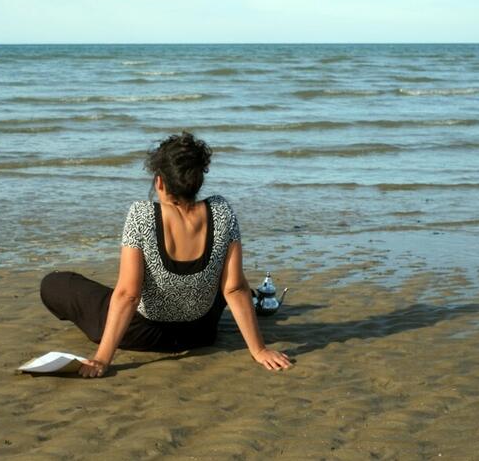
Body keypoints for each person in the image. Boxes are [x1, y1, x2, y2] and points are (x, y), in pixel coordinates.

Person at [40, 132, 292, 378]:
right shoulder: (222, 210)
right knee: (228, 279)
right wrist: (259, 350)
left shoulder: (142, 215)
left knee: (55, 283)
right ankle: (260, 302)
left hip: (145, 333)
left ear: (159, 181)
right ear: (197, 180)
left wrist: (102, 359)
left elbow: (129, 294)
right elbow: (234, 288)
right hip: (201, 332)